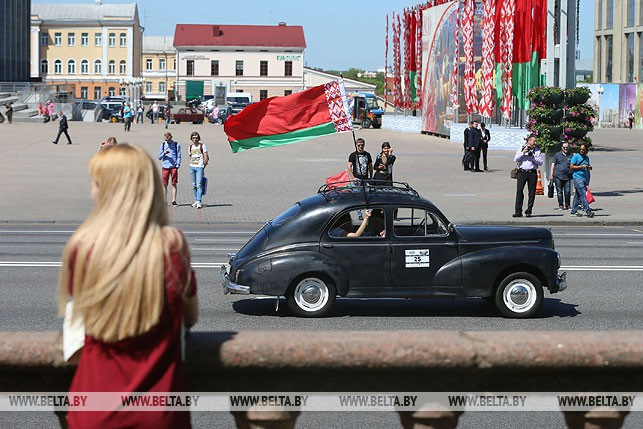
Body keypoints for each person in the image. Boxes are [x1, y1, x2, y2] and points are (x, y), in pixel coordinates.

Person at [58, 144, 198, 428]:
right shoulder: (173, 246)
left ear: (110, 191)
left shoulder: (83, 249)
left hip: (94, 412)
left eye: (96, 184)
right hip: (160, 415)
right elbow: (190, 316)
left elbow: (75, 344)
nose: (91, 192)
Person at [512, 135, 543, 217]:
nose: (535, 143)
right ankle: (518, 211)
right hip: (522, 172)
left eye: (536, 141)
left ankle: (529, 210)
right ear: (529, 141)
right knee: (519, 191)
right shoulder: (522, 148)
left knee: (531, 193)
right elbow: (515, 159)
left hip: (532, 173)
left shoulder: (537, 150)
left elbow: (540, 162)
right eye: (534, 141)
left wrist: (532, 157)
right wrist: (523, 152)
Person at [569, 144, 594, 218]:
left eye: (583, 149)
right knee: (583, 194)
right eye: (580, 149)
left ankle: (574, 210)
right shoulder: (576, 156)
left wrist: (589, 168)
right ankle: (587, 210)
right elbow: (571, 166)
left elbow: (587, 169)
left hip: (584, 178)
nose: (581, 151)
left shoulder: (586, 158)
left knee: (578, 194)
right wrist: (581, 167)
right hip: (577, 177)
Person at [159, 132, 181, 206]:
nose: (167, 141)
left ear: (171, 137)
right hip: (165, 167)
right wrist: (164, 153)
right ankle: (164, 200)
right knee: (164, 184)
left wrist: (178, 164)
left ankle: (174, 200)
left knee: (174, 183)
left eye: (168, 139)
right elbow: (159, 157)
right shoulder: (162, 145)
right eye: (166, 139)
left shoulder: (176, 144)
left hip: (173, 167)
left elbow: (179, 155)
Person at [188, 131, 208, 209]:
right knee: (194, 185)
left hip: (199, 167)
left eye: (196, 138)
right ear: (191, 139)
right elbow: (190, 156)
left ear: (198, 138)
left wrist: (203, 166)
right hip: (192, 167)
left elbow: (206, 157)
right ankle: (196, 200)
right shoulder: (190, 147)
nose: (195, 139)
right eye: (193, 138)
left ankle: (199, 201)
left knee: (199, 184)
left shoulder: (202, 146)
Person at [550, 142, 573, 210]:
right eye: (564, 148)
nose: (566, 149)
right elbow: (553, 165)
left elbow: (573, 165)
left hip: (567, 176)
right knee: (559, 192)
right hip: (558, 176)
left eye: (567, 147)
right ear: (561, 148)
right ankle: (561, 205)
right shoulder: (557, 155)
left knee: (568, 191)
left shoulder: (571, 155)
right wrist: (551, 175)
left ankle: (568, 205)